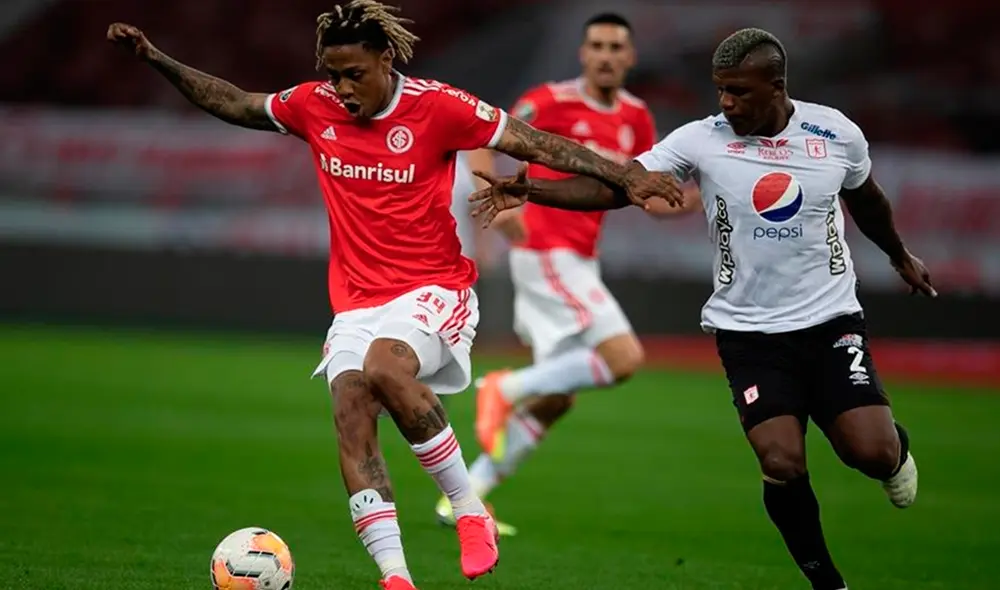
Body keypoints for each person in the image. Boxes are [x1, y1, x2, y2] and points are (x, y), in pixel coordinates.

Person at [106, 3, 680, 589]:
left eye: (354, 74)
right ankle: (395, 577)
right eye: (333, 74)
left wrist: (628, 177)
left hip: (434, 288)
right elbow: (234, 102)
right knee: (351, 413)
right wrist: (156, 59)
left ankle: (469, 508)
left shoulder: (439, 107)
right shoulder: (315, 105)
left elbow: (536, 143)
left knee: (385, 367)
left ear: (386, 59)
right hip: (356, 302)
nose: (342, 88)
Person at [469, 27, 932, 590]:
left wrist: (899, 254)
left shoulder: (834, 133)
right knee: (781, 462)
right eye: (719, 90)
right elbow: (623, 187)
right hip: (748, 333)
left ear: (776, 86)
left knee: (870, 451)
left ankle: (894, 452)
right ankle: (828, 582)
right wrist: (534, 191)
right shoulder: (700, 139)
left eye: (738, 91)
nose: (726, 103)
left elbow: (868, 198)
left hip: (831, 320)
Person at [434, 12, 699, 536]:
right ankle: (504, 388)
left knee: (559, 395)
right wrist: (503, 212)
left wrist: (699, 201)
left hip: (580, 258)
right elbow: (485, 137)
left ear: (629, 56)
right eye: (596, 44)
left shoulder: (637, 119)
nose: (604, 54)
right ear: (583, 53)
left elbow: (645, 197)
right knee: (623, 358)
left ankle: (465, 498)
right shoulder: (549, 101)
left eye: (615, 46)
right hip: (546, 250)